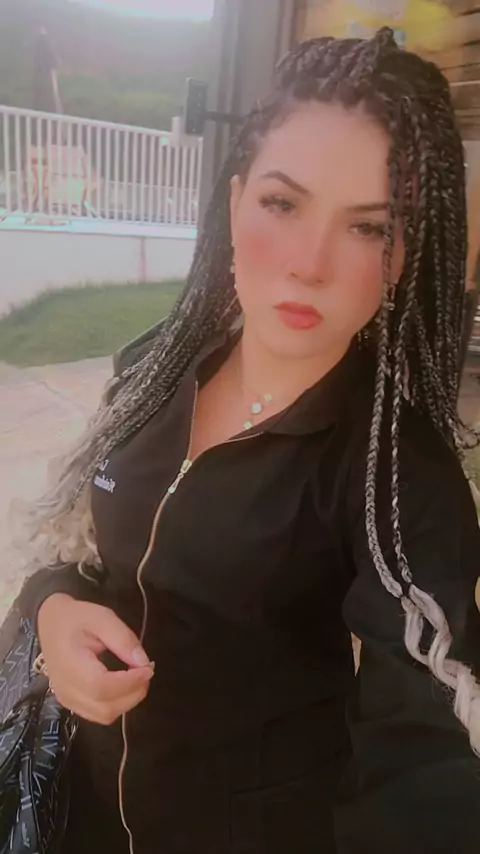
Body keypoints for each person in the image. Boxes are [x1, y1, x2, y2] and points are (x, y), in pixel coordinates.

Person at [15, 27, 480, 854]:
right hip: (79, 818)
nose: (308, 262)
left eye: (368, 228)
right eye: (283, 203)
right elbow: (81, 554)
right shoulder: (153, 372)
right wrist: (54, 609)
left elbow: (429, 751)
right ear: (234, 204)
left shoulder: (396, 475)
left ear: (403, 255)